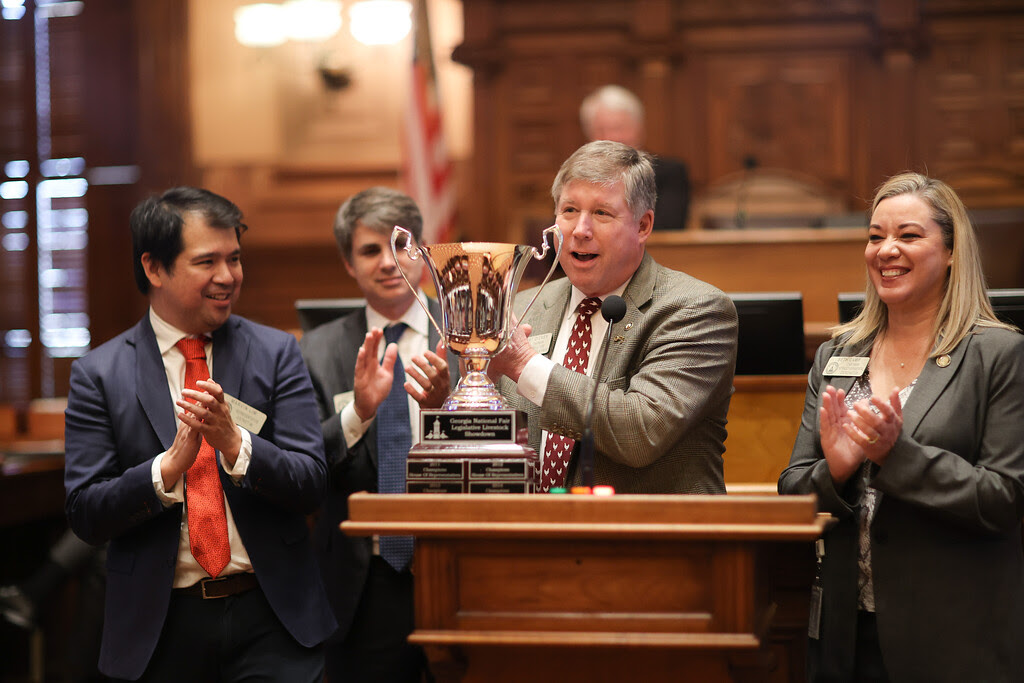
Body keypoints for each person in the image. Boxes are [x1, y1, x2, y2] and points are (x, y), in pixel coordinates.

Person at [63, 187, 336, 681]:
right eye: (207, 261)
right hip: (160, 627)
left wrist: (235, 444)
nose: (228, 277)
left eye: (235, 259)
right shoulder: (99, 374)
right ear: (154, 268)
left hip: (272, 618)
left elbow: (311, 481)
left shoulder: (275, 354)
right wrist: (166, 470)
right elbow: (86, 513)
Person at [778, 172, 1024, 682]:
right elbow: (793, 490)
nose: (886, 250)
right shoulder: (838, 355)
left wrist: (898, 456)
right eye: (875, 236)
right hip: (848, 638)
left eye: (908, 236)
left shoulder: (998, 355)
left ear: (952, 252)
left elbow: (1004, 498)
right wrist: (838, 469)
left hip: (954, 640)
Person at [490, 140, 737, 494]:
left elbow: (640, 432)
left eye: (602, 213)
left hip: (652, 541)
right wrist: (443, 403)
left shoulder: (697, 309)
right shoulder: (525, 306)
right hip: (531, 536)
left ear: (643, 226)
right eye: (569, 210)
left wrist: (524, 364)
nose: (580, 230)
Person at [299, 187, 450, 683]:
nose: (389, 262)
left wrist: (443, 413)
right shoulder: (316, 350)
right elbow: (303, 465)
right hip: (360, 579)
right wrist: (359, 413)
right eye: (370, 250)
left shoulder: (470, 331)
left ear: (423, 251)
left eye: (402, 246)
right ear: (349, 263)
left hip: (455, 562)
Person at [579, 84, 691, 231]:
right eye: (600, 130)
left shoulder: (670, 174)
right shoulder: (577, 178)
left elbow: (668, 227)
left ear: (639, 129)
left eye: (618, 128)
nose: (611, 138)